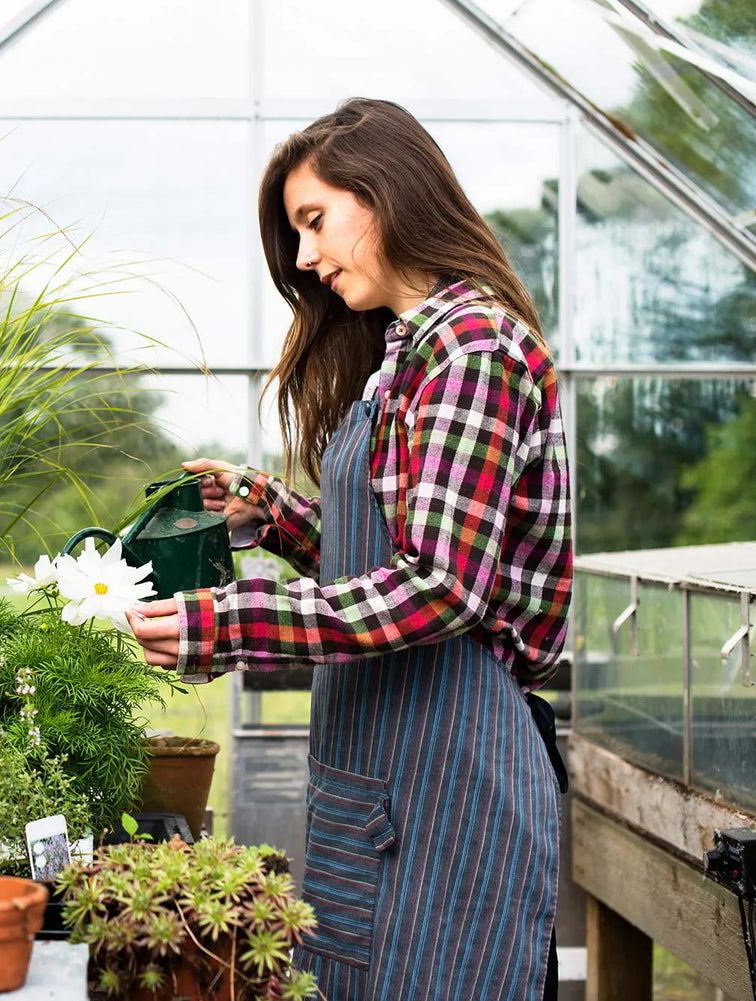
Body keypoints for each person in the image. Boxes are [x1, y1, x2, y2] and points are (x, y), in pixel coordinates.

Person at [127, 98, 571, 1001]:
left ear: (386, 194)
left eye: (315, 220)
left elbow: (442, 586)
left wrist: (229, 620)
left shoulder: (471, 351)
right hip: (384, 769)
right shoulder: (408, 352)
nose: (303, 258)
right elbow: (416, 545)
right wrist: (274, 516)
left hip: (452, 776)